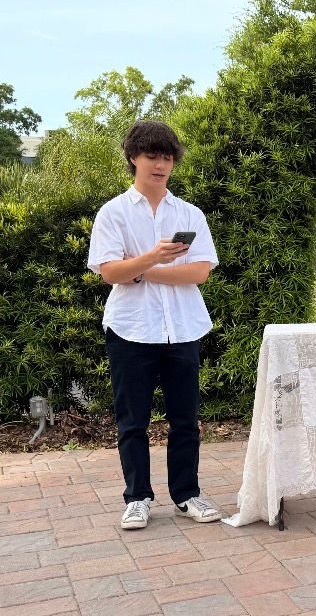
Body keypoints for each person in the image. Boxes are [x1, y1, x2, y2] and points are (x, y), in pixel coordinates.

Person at [87, 121, 222, 529]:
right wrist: (154, 257)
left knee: (186, 420)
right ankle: (137, 498)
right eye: (152, 156)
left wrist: (142, 270)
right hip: (130, 329)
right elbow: (110, 272)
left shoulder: (190, 213)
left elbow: (199, 272)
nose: (160, 165)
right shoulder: (113, 213)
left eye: (167, 157)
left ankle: (187, 494)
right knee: (132, 422)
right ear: (134, 158)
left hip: (182, 328)